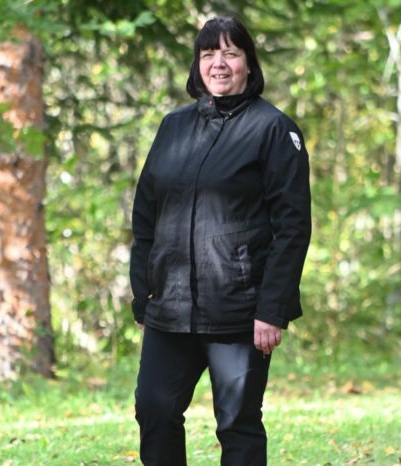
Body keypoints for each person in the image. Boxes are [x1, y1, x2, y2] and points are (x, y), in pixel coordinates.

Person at [129, 15, 312, 466]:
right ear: (197, 64)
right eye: (209, 54)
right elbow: (146, 215)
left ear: (249, 62)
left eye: (231, 53)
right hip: (170, 308)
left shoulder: (274, 129)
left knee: (237, 422)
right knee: (154, 410)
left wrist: (272, 309)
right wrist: (143, 293)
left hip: (240, 311)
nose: (219, 63)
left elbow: (293, 227)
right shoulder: (173, 127)